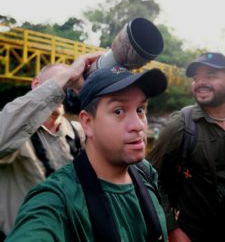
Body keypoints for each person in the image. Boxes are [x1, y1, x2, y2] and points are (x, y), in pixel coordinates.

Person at [5, 65, 168, 242]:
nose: (138, 125)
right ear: (87, 122)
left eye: (140, 109)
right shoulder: (55, 201)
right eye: (118, 111)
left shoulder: (145, 172)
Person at [0, 52, 102, 240]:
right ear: (37, 86)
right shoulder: (14, 134)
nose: (65, 89)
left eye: (70, 84)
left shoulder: (79, 132)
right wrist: (68, 74)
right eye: (63, 81)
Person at [148, 52, 225, 242]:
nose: (200, 82)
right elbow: (149, 176)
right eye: (196, 78)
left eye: (210, 75)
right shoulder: (182, 124)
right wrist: (172, 230)